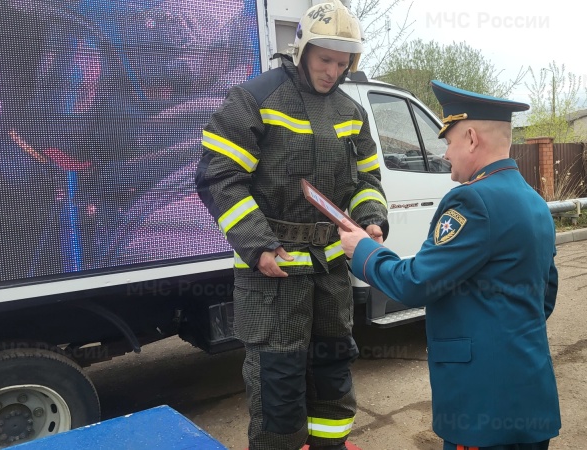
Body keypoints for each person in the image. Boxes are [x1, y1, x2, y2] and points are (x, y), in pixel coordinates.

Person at [194, 1, 388, 449]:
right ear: (301, 49)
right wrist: (257, 245)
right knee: (277, 382)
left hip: (331, 270)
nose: (333, 72)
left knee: (333, 369)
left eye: (343, 64)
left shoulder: (351, 112)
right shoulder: (254, 100)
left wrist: (371, 219)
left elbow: (367, 179)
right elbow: (219, 176)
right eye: (325, 60)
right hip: (273, 274)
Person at [338, 80, 561, 450]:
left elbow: (417, 283)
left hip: (483, 409)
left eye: (449, 140)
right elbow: (545, 294)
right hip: (530, 398)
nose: (444, 153)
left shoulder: (472, 201)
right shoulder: (534, 201)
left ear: (472, 139)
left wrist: (363, 251)